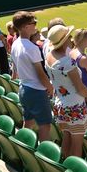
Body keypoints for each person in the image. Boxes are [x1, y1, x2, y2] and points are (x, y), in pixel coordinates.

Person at [45, 25, 87, 158]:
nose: (71, 38)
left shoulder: (49, 55)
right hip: (74, 106)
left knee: (67, 136)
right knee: (77, 143)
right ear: (64, 40)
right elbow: (79, 87)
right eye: (68, 36)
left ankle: (64, 165)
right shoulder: (67, 62)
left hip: (60, 104)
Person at [10, 11, 54, 142]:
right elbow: (40, 74)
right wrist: (50, 88)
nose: (35, 25)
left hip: (23, 89)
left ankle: (24, 145)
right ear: (24, 27)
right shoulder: (31, 48)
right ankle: (44, 156)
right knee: (45, 125)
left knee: (28, 122)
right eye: (33, 23)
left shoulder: (15, 43)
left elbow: (15, 70)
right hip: (35, 91)